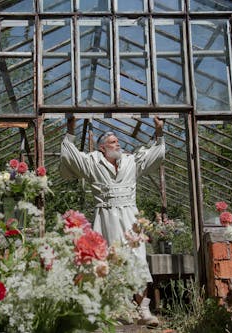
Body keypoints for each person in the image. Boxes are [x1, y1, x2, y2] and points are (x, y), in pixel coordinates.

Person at [60, 116, 165, 326]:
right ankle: (115, 309)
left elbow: (156, 154)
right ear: (102, 148)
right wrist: (71, 128)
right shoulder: (92, 162)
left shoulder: (131, 161)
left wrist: (160, 131)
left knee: (137, 259)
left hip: (130, 217)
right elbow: (71, 156)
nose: (118, 145)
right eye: (113, 142)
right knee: (108, 262)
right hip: (105, 217)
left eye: (118, 142)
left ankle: (143, 310)